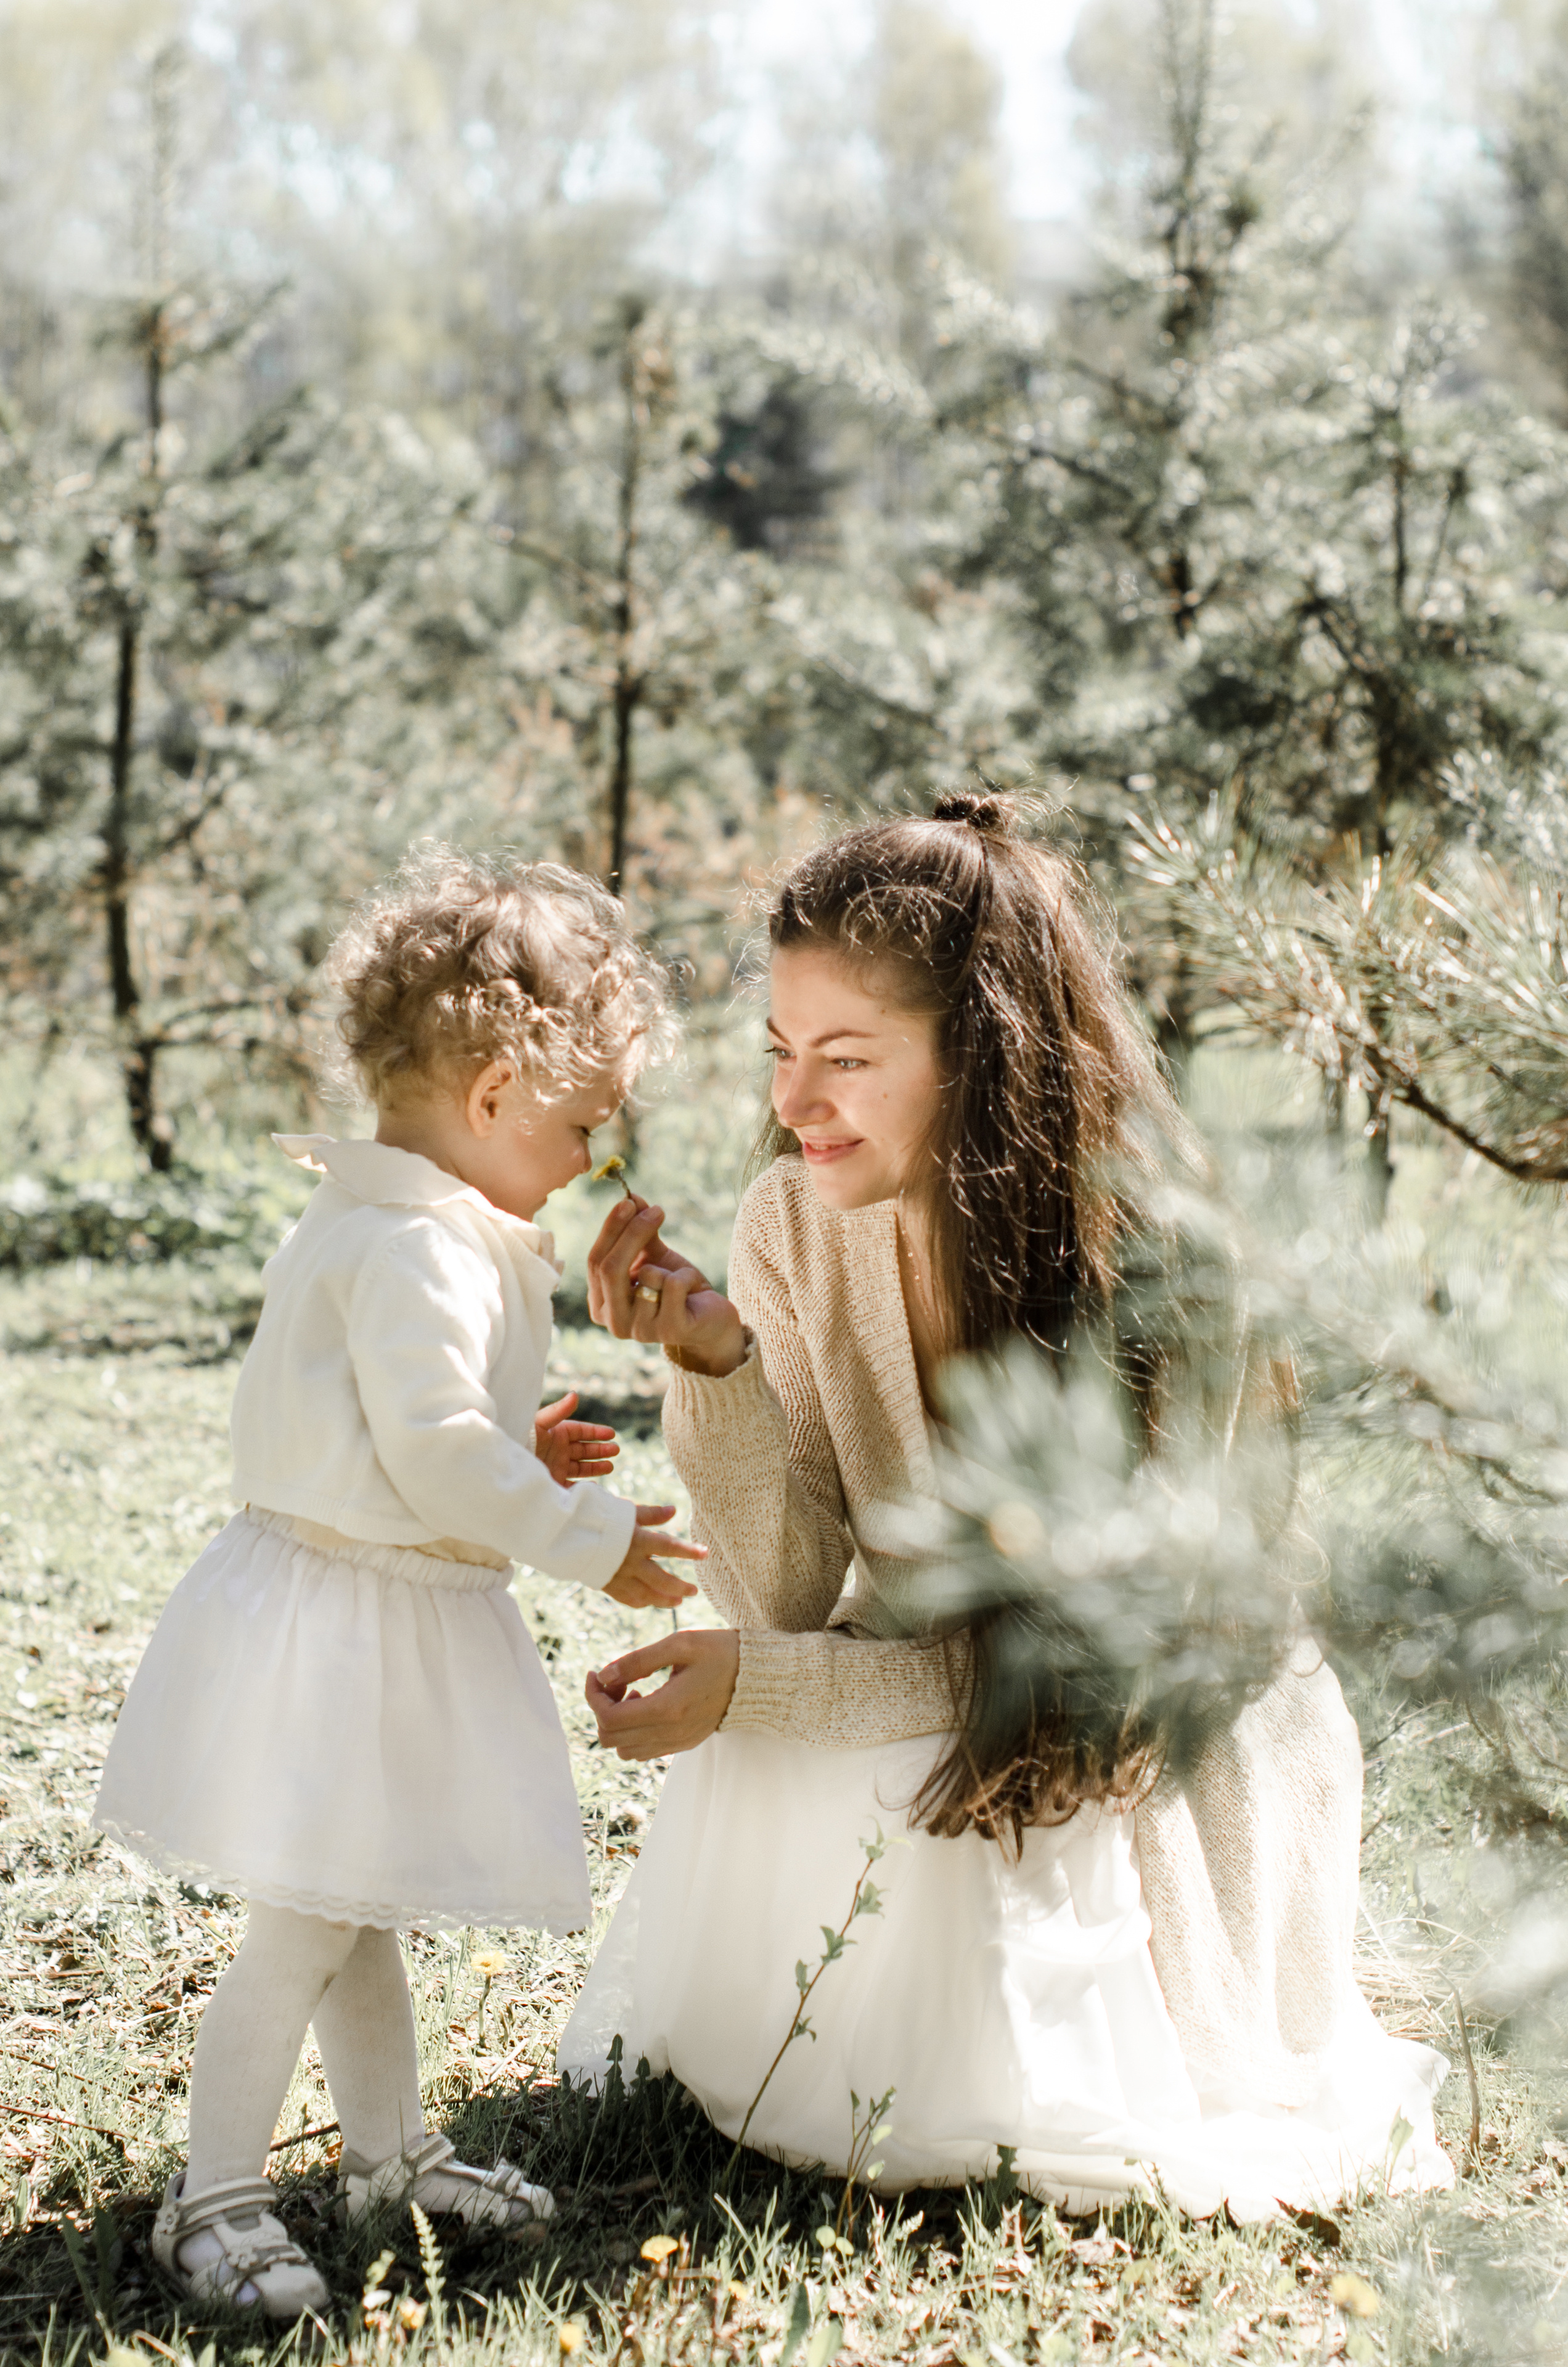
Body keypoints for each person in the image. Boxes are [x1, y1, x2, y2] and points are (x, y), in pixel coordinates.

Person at [557, 793, 1453, 2220]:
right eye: (782, 1053)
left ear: (979, 1057)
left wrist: (773, 1687)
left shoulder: (1160, 1255)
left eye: (846, 1060)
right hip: (938, 1673)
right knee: (802, 1733)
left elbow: (1091, 1673)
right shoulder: (794, 1222)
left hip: (1150, 1723)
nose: (794, 1106)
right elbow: (787, 1595)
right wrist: (715, 1364)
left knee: (851, 1752)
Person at [92, 849, 703, 2316]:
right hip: (349, 1622)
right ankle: (213, 2195)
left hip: (361, 1599)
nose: (589, 1159)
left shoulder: (403, 1224)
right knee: (307, 1919)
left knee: (355, 1902)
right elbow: (429, 1458)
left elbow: (416, 1433)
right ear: (493, 1094)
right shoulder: (419, 1248)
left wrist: (523, 1449)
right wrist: (593, 1542)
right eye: (575, 1125)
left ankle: (384, 2157)